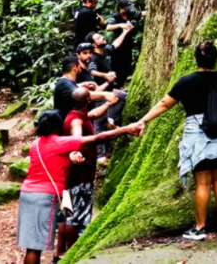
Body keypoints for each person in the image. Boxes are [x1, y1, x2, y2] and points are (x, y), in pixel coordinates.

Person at [127, 42, 217, 241]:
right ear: (216, 59)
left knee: (203, 183)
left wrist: (142, 120)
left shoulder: (186, 81)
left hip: (198, 135)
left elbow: (164, 104)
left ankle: (200, 227)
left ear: (196, 59)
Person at [16, 109, 139, 264]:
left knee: (31, 246)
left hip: (28, 193)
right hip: (45, 196)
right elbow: (97, 138)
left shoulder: (35, 144)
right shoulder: (60, 142)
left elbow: (53, 155)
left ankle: (57, 253)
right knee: (35, 248)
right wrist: (126, 129)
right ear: (58, 125)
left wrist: (71, 154)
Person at [60, 87, 114, 251]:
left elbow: (95, 114)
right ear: (88, 101)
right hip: (80, 176)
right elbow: (77, 137)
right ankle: (76, 252)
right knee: (77, 217)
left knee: (71, 214)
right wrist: (75, 151)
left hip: (79, 175)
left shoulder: (78, 115)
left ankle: (67, 252)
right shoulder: (76, 121)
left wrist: (107, 103)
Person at [78, 40, 127, 162]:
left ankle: (105, 151)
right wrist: (107, 82)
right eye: (85, 53)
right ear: (78, 55)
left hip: (95, 103)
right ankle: (100, 156)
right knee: (98, 126)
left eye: (90, 52)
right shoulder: (78, 72)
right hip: (84, 107)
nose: (88, 55)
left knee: (121, 96)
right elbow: (89, 91)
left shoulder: (87, 71)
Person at [53, 54, 118, 120]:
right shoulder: (65, 83)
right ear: (75, 67)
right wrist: (105, 94)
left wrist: (84, 84)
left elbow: (71, 89)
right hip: (66, 123)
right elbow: (81, 95)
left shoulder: (64, 81)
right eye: (79, 64)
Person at [106, 0, 145, 85]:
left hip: (128, 46)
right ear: (120, 8)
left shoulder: (130, 14)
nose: (128, 10)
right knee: (116, 67)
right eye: (126, 8)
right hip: (118, 46)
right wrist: (120, 25)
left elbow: (142, 13)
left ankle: (122, 83)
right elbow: (108, 27)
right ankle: (115, 85)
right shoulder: (116, 17)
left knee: (126, 67)